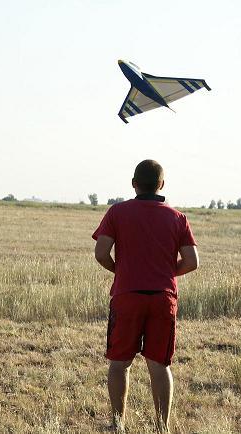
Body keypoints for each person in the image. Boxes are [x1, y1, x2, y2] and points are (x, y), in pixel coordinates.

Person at [92, 160, 199, 433]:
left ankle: (118, 424)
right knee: (159, 364)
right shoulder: (178, 218)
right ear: (161, 184)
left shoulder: (117, 212)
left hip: (127, 295)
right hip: (163, 297)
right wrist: (166, 272)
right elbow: (192, 261)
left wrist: (120, 270)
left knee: (119, 363)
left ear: (134, 184)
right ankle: (162, 427)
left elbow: (101, 253)